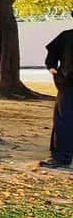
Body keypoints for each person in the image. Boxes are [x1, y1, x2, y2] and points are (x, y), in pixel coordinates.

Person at [40, 20, 73, 170]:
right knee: (64, 120)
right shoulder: (67, 36)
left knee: (64, 119)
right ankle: (61, 156)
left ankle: (61, 156)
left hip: (67, 83)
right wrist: (52, 67)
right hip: (68, 85)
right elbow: (52, 52)